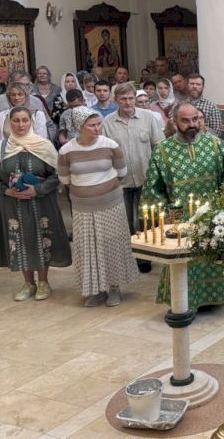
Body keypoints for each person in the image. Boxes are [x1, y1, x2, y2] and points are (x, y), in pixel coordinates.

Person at [142, 102, 224, 310]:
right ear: (174, 122)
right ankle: (183, 301)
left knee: (216, 255)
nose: (192, 124)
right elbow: (153, 188)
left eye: (195, 119)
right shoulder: (162, 150)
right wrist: (164, 215)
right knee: (185, 261)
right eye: (186, 120)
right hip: (179, 217)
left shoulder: (214, 144)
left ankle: (221, 293)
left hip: (213, 214)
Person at [0, 106, 71, 301]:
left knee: (41, 238)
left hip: (42, 203)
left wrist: (38, 189)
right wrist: (6, 190)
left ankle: (44, 282)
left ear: (31, 122)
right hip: (12, 204)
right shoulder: (1, 148)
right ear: (9, 123)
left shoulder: (44, 146)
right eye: (16, 120)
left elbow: (58, 175)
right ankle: (28, 283)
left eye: (25, 120)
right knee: (20, 240)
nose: (21, 125)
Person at [58, 107, 138, 307]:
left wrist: (103, 188)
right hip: (82, 207)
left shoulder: (110, 145)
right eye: (91, 125)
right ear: (79, 127)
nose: (97, 128)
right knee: (88, 246)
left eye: (98, 124)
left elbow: (122, 171)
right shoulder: (66, 150)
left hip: (111, 204)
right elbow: (65, 178)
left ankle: (114, 288)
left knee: (111, 244)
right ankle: (96, 290)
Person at [103, 83, 165, 274]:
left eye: (130, 98)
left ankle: (145, 256)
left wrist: (159, 176)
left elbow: (159, 147)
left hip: (145, 178)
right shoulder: (108, 122)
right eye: (123, 99)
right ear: (116, 101)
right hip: (120, 182)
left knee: (146, 220)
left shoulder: (148, 117)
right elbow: (105, 152)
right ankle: (128, 257)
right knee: (124, 221)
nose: (128, 102)